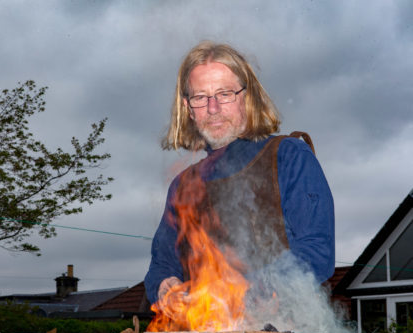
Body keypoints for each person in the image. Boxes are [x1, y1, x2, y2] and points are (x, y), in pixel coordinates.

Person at [144, 41, 335, 306]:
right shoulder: (182, 186)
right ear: (188, 109)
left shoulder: (289, 156)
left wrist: (239, 291)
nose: (213, 108)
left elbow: (317, 253)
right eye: (200, 97)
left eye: (225, 93)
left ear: (247, 97)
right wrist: (164, 286)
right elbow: (162, 265)